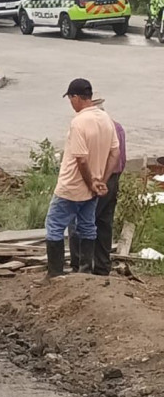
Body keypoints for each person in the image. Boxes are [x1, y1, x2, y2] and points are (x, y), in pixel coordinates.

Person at [46, 78, 120, 278]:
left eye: (71, 98)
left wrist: (90, 182)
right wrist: (100, 182)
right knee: (88, 227)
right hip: (92, 190)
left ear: (77, 97)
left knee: (54, 225)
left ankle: (55, 274)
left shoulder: (79, 122)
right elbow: (115, 153)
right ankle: (85, 272)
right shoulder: (106, 119)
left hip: (71, 187)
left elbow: (81, 160)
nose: (71, 103)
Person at [69, 105, 126, 276]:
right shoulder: (117, 127)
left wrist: (97, 181)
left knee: (80, 222)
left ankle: (79, 267)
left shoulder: (92, 128)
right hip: (113, 178)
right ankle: (102, 267)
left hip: (96, 178)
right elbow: (120, 158)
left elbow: (84, 159)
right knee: (104, 222)